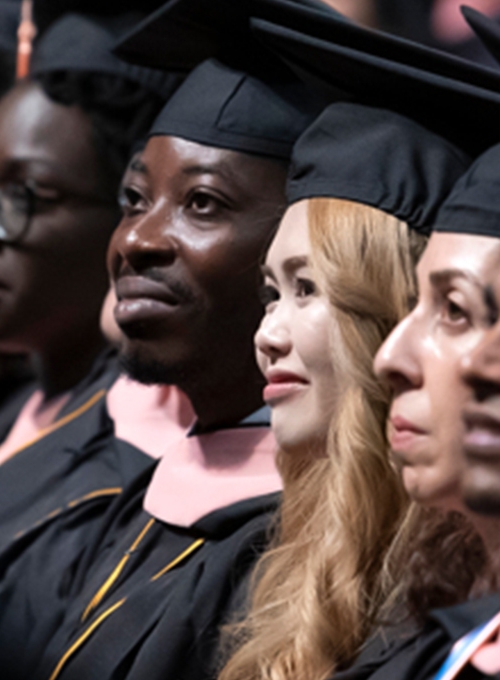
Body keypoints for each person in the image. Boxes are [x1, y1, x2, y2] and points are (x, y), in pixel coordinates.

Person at [0, 6, 326, 677]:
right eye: (133, 200)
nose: (137, 241)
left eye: (202, 203)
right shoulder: (110, 447)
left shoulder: (300, 549)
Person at [217, 100, 469, 680]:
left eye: (307, 288)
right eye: (270, 293)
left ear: (393, 311)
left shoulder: (452, 593)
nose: (266, 334)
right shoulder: (273, 556)